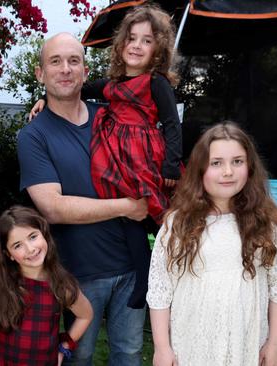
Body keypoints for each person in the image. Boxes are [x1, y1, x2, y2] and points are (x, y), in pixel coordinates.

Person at [29, 3, 183, 309]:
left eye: (147, 40)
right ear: (121, 43)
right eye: (132, 38)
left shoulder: (156, 83)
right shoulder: (114, 85)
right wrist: (44, 98)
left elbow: (172, 123)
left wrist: (171, 166)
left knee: (158, 217)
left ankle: (166, 276)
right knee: (131, 218)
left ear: (158, 50)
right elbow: (77, 90)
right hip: (118, 161)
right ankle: (145, 279)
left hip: (143, 159)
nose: (137, 45)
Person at [17, 31, 148, 366]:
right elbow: (53, 207)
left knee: (129, 352)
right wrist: (126, 207)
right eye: (55, 61)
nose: (65, 69)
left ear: (86, 72)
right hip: (79, 274)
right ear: (40, 73)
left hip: (132, 266)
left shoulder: (112, 118)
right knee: (80, 357)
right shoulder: (34, 135)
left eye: (74, 61)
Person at [147, 122, 277, 366]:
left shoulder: (268, 224)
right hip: (192, 343)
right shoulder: (177, 224)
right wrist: (162, 348)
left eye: (237, 161)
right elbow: (160, 291)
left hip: (245, 343)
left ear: (249, 167)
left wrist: (276, 343)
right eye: (216, 163)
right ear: (200, 170)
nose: (228, 171)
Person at [0, 206, 93, 366]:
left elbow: (86, 315)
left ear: (44, 233)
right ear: (8, 254)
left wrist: (64, 348)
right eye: (17, 245)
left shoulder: (61, 284)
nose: (30, 249)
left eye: (33, 236)